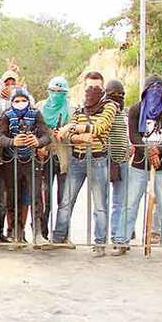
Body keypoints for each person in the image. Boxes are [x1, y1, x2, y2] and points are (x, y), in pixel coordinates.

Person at [50, 71, 117, 256]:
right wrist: (80, 135)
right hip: (77, 159)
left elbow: (100, 127)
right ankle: (59, 238)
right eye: (89, 87)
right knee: (66, 201)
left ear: (102, 88)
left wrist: (73, 128)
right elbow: (69, 137)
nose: (92, 90)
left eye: (96, 87)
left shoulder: (110, 106)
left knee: (100, 205)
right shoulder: (80, 109)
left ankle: (100, 243)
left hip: (98, 158)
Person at [118, 77, 162, 258]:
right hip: (139, 164)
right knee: (130, 203)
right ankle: (122, 239)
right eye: (151, 89)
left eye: (159, 89)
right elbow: (134, 135)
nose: (155, 93)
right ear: (145, 92)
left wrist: (159, 150)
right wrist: (148, 151)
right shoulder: (137, 109)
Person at [0, 87, 51, 247]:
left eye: (23, 100)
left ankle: (38, 233)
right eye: (16, 100)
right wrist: (13, 142)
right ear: (11, 102)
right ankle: (15, 233)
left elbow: (46, 135)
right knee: (12, 198)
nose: (20, 103)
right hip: (11, 161)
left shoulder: (35, 114)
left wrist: (38, 142)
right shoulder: (6, 115)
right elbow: (0, 136)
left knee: (35, 197)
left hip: (31, 160)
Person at [36, 76, 72, 241]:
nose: (57, 94)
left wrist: (65, 133)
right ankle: (42, 233)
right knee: (44, 198)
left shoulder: (70, 109)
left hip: (64, 158)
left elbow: (76, 131)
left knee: (64, 199)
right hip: (44, 157)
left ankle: (62, 235)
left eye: (60, 92)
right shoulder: (40, 107)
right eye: (54, 91)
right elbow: (34, 129)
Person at [103, 80, 131, 252]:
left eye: (121, 94)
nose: (118, 97)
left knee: (120, 201)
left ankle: (117, 236)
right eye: (114, 93)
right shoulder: (105, 110)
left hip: (123, 161)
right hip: (105, 161)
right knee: (102, 201)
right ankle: (101, 238)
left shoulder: (123, 113)